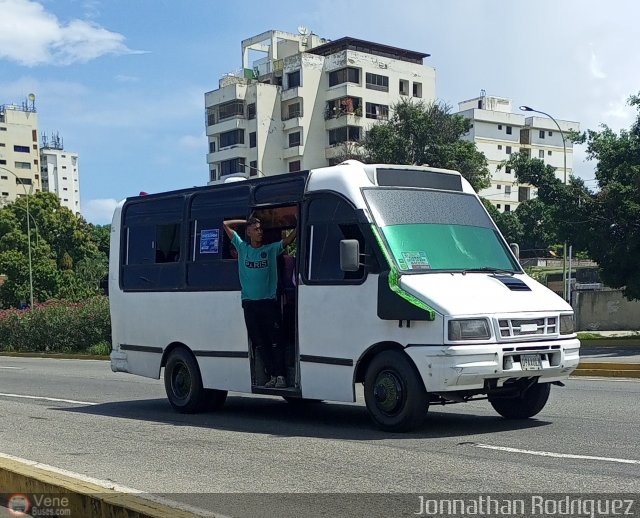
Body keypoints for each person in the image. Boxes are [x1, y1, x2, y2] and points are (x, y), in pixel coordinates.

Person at [223, 216, 296, 388]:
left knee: (275, 340)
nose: (260, 232)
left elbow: (288, 240)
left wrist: (299, 225)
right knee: (260, 342)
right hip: (249, 304)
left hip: (268, 303)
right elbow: (225, 225)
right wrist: (245, 222)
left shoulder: (270, 250)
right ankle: (271, 375)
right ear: (248, 232)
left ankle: (281, 376)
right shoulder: (242, 247)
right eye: (256, 229)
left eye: (261, 229)